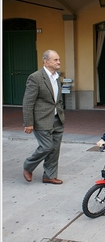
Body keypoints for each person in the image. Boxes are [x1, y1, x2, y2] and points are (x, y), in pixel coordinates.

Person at [22, 49, 65, 184]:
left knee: (55, 148)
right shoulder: (35, 77)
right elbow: (28, 102)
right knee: (46, 147)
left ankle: (49, 175)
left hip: (57, 119)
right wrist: (28, 123)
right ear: (46, 62)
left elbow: (57, 99)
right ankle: (28, 166)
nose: (59, 62)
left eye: (58, 59)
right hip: (42, 120)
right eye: (55, 60)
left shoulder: (57, 77)